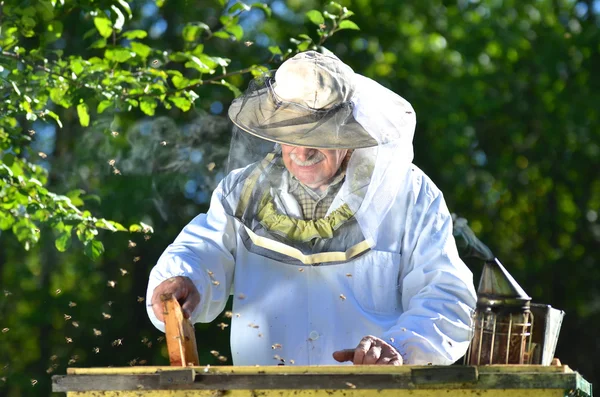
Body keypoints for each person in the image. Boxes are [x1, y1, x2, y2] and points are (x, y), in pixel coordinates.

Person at [147, 50, 477, 366]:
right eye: (291, 132)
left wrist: (400, 345)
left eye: (319, 136)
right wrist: (184, 278)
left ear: (349, 133)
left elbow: (446, 295)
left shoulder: (409, 193)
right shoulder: (241, 192)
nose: (303, 152)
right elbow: (203, 249)